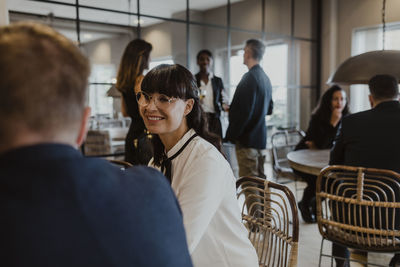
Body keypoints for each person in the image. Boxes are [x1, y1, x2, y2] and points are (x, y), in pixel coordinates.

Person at [0, 22, 192, 267]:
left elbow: (125, 109)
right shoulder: (152, 192)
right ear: (84, 124)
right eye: (146, 98)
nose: (149, 105)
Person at [137, 64, 259, 267]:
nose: (150, 106)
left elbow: (178, 243)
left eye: (164, 99)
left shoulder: (205, 162)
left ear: (188, 106)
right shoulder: (157, 161)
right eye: (146, 96)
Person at [330, 74, 400, 267]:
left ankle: (342, 264)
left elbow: (333, 164)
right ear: (398, 96)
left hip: (352, 219)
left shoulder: (351, 122)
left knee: (339, 199)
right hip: (396, 222)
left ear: (371, 98)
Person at [295, 85, 349, 223]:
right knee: (319, 180)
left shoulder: (348, 119)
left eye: (342, 99)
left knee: (331, 181)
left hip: (325, 160)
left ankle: (313, 202)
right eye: (335, 99)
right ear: (328, 101)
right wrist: (333, 123)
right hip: (302, 159)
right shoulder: (318, 118)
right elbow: (321, 144)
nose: (339, 103)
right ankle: (306, 205)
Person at [225, 39, 272, 180]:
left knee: (250, 185)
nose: (243, 54)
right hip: (260, 140)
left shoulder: (249, 78)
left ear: (249, 53)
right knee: (262, 184)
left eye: (244, 51)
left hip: (247, 141)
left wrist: (230, 137)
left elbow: (244, 113)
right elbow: (269, 109)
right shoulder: (266, 78)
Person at [116, 39, 153, 165]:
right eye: (149, 56)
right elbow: (145, 112)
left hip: (132, 134)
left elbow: (125, 112)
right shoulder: (141, 80)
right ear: (142, 57)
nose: (151, 59)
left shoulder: (123, 82)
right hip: (144, 137)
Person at [195, 49, 228, 138]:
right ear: (197, 62)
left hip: (215, 119)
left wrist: (226, 106)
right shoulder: (193, 80)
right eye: (202, 59)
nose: (205, 62)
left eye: (208, 59)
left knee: (216, 146)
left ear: (211, 62)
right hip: (199, 118)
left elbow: (223, 99)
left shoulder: (218, 81)